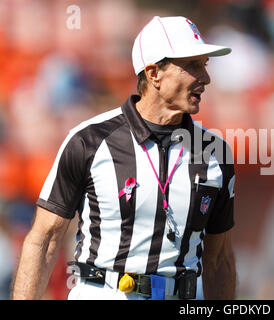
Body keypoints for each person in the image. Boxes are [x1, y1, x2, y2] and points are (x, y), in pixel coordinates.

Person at [12, 16, 236, 300]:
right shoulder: (89, 141)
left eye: (204, 65)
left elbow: (220, 259)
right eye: (192, 65)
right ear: (154, 73)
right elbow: (45, 239)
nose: (205, 78)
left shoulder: (215, 153)